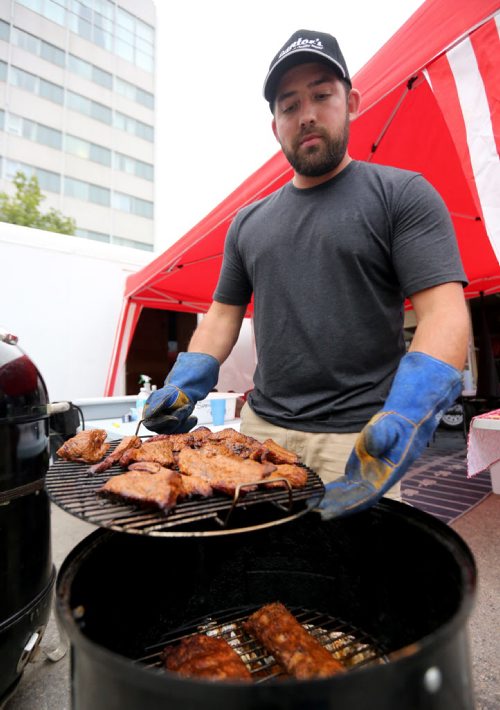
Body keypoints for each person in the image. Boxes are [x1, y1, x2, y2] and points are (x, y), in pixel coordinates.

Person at [143, 29, 470, 519]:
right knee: (249, 572)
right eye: (289, 105)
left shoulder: (402, 195)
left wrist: (406, 414)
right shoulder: (248, 223)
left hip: (361, 440)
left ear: (352, 101)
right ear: (275, 125)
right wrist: (186, 379)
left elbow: (444, 313)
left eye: (322, 95)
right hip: (259, 435)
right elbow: (221, 316)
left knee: (357, 583)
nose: (307, 114)